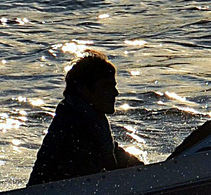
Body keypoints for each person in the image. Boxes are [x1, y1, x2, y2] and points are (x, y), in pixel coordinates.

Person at [27, 51, 145, 186]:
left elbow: (113, 154)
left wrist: (143, 170)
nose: (115, 93)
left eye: (114, 86)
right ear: (84, 90)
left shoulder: (87, 116)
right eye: (107, 86)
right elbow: (90, 179)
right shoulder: (72, 124)